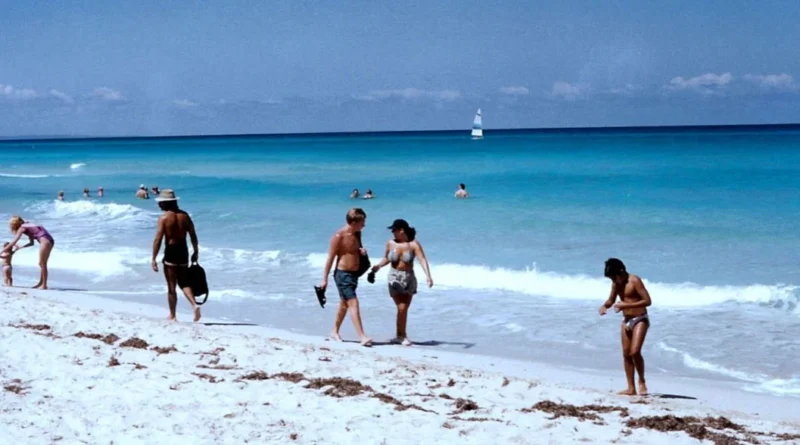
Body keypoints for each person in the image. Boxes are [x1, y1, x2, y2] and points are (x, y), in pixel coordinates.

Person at [370, 219, 433, 346]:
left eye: (394, 230)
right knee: (402, 307)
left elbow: (422, 259)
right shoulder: (390, 243)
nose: (392, 232)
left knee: (404, 309)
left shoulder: (414, 244)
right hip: (394, 276)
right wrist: (378, 266)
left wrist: (428, 276)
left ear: (401, 230)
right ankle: (402, 336)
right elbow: (386, 258)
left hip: (409, 277)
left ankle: (400, 335)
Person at [319, 208, 373, 346]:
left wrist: (362, 252)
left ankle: (334, 331)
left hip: (354, 274)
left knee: (344, 304)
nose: (364, 225)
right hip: (342, 274)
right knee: (353, 303)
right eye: (362, 222)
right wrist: (324, 279)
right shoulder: (339, 236)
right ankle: (362, 336)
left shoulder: (357, 233)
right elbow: (330, 258)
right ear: (354, 222)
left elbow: (356, 250)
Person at [599, 258, 652, 396]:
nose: (613, 281)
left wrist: (625, 305)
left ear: (621, 271)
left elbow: (647, 301)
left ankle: (642, 381)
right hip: (626, 320)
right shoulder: (616, 284)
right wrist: (605, 306)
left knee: (635, 352)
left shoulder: (634, 281)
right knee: (626, 354)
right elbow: (611, 300)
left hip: (640, 319)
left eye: (614, 277)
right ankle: (631, 388)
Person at [151, 189, 201, 322]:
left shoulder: (164, 218)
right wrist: (196, 251)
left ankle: (172, 315)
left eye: (161, 203)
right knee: (184, 281)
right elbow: (193, 235)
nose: (159, 205)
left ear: (166, 203)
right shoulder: (185, 216)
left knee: (171, 286)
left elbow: (158, 239)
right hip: (183, 250)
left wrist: (153, 258)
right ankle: (194, 304)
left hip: (171, 251)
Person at [4, 216, 55, 289]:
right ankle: (41, 283)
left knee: (42, 263)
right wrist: (21, 247)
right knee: (42, 263)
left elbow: (13, 242)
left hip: (45, 241)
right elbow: (31, 243)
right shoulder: (28, 227)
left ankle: (44, 285)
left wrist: (2, 251)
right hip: (49, 240)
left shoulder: (22, 227)